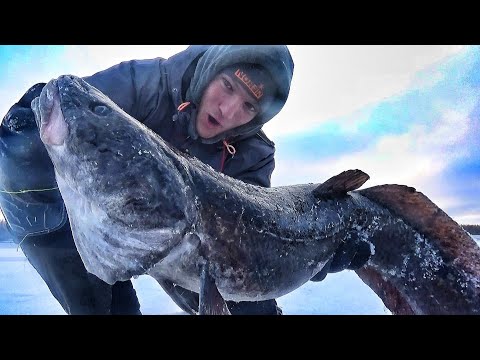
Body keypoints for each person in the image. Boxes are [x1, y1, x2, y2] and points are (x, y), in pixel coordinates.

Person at [0, 45, 371, 315]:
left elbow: (251, 240)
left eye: (248, 106)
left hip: (180, 240)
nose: (228, 111)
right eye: (227, 86)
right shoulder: (143, 82)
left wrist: (315, 253)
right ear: (211, 69)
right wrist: (26, 141)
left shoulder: (254, 154)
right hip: (54, 211)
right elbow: (72, 110)